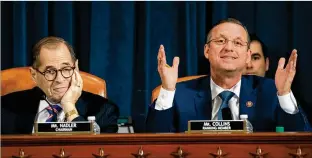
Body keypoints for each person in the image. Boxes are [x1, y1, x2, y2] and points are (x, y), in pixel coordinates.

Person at [146, 18, 311, 132]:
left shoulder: (271, 91)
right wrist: (167, 90)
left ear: (247, 55)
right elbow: (154, 144)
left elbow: (300, 143)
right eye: (220, 41)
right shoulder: (180, 94)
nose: (229, 48)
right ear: (206, 50)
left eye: (238, 43)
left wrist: (284, 95)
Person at [1, 36, 119, 134]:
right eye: (50, 71)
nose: (59, 79)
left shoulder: (103, 111)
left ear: (76, 68)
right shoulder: (5, 108)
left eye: (66, 69)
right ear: (34, 75)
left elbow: (93, 151)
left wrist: (69, 107)